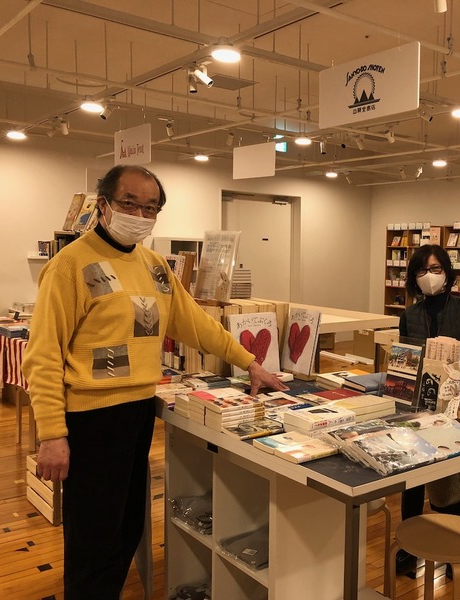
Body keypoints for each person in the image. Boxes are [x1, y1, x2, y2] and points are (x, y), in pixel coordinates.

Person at [22, 165, 286, 600]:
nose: (140, 215)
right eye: (130, 204)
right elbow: (43, 354)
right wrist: (52, 433)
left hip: (138, 412)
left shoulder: (155, 266)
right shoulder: (69, 265)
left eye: (151, 208)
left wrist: (249, 362)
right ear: (103, 204)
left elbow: (195, 323)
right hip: (91, 420)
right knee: (92, 536)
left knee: (126, 527)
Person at [396, 244, 460, 574]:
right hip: (417, 406)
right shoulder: (409, 315)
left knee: (452, 477)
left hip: (455, 407)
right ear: (413, 277)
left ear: (446, 272)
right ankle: (408, 546)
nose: (429, 276)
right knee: (412, 476)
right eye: (422, 270)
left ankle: (454, 549)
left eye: (435, 269)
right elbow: (404, 361)